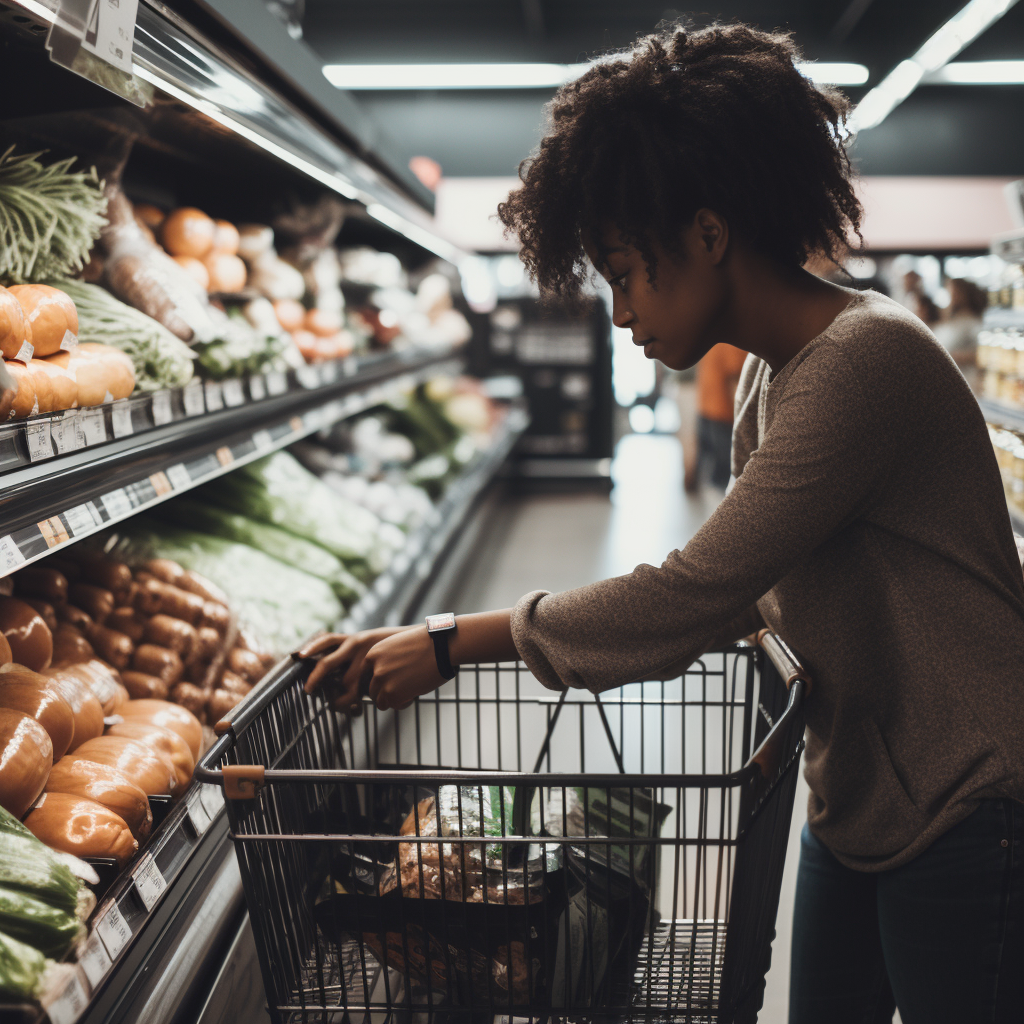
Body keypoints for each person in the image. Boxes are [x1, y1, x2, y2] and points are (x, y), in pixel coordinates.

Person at [300, 23, 1024, 1024]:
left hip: (968, 801)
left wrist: (450, 642)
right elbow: (744, 597)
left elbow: (697, 591)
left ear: (708, 233)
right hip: (859, 798)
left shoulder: (866, 363)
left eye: (627, 270)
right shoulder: (781, 374)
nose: (620, 310)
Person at [687, 342, 748, 491]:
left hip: (705, 409)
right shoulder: (733, 343)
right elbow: (735, 382)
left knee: (710, 471)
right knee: (726, 478)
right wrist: (745, 423)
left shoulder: (712, 340)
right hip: (723, 416)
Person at [933, 277, 986, 390]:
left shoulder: (972, 322)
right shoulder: (951, 320)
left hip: (965, 382)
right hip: (945, 382)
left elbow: (981, 354)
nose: (952, 295)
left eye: (955, 291)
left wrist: (949, 357)